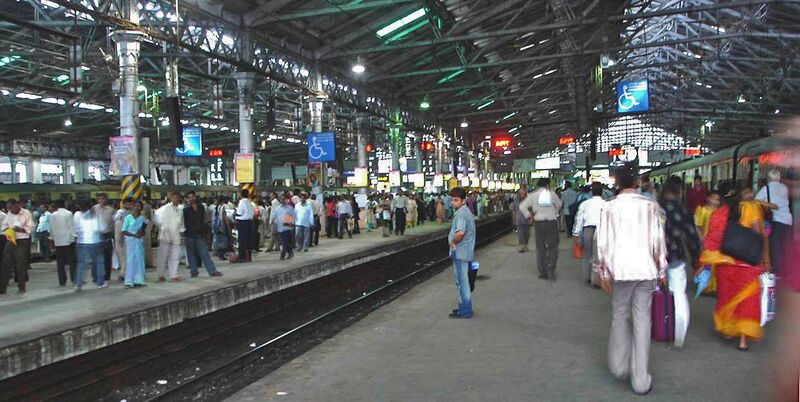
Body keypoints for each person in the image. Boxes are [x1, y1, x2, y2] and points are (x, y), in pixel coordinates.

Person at [595, 168, 667, 395]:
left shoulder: (608, 208)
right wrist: (662, 270)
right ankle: (640, 380)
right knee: (642, 321)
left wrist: (603, 272)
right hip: (646, 271)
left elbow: (602, 243)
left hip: (621, 271)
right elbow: (658, 241)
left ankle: (619, 366)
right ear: (636, 182)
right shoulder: (651, 207)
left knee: (619, 315)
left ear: (616, 183)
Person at [699, 184, 769, 351]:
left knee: (727, 297)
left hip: (725, 263)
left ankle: (728, 330)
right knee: (747, 300)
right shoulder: (750, 208)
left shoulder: (719, 213)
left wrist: (705, 263)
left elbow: (712, 239)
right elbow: (759, 234)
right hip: (747, 262)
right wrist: (766, 259)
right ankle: (743, 340)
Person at [659, 177, 702, 348]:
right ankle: (678, 336)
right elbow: (692, 237)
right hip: (675, 256)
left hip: (654, 259)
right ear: (679, 191)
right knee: (678, 295)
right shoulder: (683, 210)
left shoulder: (654, 209)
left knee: (656, 294)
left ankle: (659, 329)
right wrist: (696, 261)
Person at [519, 178, 562, 281]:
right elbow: (559, 205)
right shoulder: (552, 194)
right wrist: (554, 212)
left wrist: (529, 216)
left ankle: (542, 272)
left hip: (539, 223)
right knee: (553, 246)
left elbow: (522, 207)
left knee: (540, 247)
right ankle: (551, 267)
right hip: (551, 222)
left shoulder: (533, 196)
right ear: (547, 185)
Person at [755, 169, 793, 276]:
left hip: (776, 220)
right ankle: (787, 270)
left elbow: (756, 200)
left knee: (774, 245)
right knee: (785, 245)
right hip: (788, 219)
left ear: (769, 178)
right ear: (779, 178)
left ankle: (777, 270)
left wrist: (769, 205)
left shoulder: (766, 188)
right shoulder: (784, 188)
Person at [447, 187, 476, 319]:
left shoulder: (461, 214)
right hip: (464, 252)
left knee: (462, 281)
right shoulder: (465, 212)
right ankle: (463, 306)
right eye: (451, 200)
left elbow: (461, 232)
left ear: (463, 200)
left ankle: (465, 310)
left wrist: (453, 242)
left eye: (455, 200)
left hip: (460, 252)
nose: (452, 202)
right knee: (461, 280)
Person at [572, 182, 605, 286]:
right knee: (599, 256)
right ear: (602, 191)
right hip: (602, 230)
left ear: (591, 192)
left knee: (587, 254)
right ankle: (597, 280)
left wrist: (576, 233)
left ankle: (587, 278)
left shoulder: (585, 204)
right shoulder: (606, 204)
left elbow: (579, 218)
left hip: (588, 230)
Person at [184, 195, 223, 278]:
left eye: (192, 196)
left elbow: (202, 220)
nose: (191, 198)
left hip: (199, 234)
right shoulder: (185, 210)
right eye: (189, 197)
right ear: (187, 199)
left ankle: (212, 271)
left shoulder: (201, 208)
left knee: (204, 252)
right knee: (191, 254)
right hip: (189, 234)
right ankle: (194, 271)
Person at [0, 199, 34, 294]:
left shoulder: (26, 213)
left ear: (17, 205)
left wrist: (20, 229)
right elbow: (3, 225)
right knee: (6, 263)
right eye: (8, 208)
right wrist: (7, 229)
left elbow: (30, 227)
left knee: (20, 265)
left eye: (11, 207)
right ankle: (2, 288)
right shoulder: (9, 214)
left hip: (22, 240)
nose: (10, 210)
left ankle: (21, 287)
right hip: (11, 240)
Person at [73, 200, 107, 291]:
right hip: (96, 242)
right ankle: (100, 283)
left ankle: (78, 284)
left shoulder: (77, 215)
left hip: (81, 242)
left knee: (81, 264)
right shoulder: (96, 215)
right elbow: (103, 229)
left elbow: (76, 229)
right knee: (99, 263)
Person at [694, 190, 722, 294]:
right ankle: (704, 285)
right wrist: (701, 238)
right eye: (713, 198)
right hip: (706, 241)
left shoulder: (720, 212)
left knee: (714, 264)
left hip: (717, 241)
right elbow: (698, 226)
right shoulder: (702, 210)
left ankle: (713, 286)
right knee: (705, 264)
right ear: (708, 198)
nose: (715, 201)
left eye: (718, 199)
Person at [155, 192, 185, 282]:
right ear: (171, 198)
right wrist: (165, 232)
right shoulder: (164, 209)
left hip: (176, 235)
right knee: (163, 256)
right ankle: (161, 274)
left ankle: (173, 275)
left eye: (177, 198)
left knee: (175, 256)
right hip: (166, 235)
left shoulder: (180, 209)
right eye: (174, 198)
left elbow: (181, 223)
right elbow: (160, 222)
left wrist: (182, 233)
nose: (176, 200)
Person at [49, 200, 76, 287]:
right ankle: (74, 279)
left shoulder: (53, 215)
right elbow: (71, 227)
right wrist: (73, 238)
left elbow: (51, 229)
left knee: (60, 263)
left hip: (58, 241)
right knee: (72, 262)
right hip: (68, 240)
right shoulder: (68, 214)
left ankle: (62, 281)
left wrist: (52, 240)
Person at [121, 200, 148, 288]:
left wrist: (140, 234)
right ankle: (129, 281)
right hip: (130, 240)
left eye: (139, 206)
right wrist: (134, 235)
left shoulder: (142, 218)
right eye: (136, 206)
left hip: (138, 241)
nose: (137, 208)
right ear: (132, 206)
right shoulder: (128, 217)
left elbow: (143, 230)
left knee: (139, 260)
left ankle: (139, 280)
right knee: (130, 260)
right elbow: (124, 230)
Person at [93, 193, 115, 282]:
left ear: (106, 199)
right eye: (99, 199)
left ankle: (107, 275)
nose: (101, 201)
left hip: (107, 235)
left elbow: (113, 223)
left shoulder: (110, 210)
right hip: (97, 235)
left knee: (107, 256)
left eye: (102, 199)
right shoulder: (94, 209)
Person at [270, 194, 296, 260]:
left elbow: (294, 216)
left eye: (284, 199)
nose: (282, 200)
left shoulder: (290, 208)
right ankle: (290, 251)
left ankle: (283, 254)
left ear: (286, 200)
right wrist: (271, 221)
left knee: (285, 242)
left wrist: (292, 223)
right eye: (281, 199)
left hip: (287, 227)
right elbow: (274, 216)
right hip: (280, 227)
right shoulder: (277, 208)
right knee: (284, 242)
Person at [113, 198, 132, 282]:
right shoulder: (121, 213)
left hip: (127, 238)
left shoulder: (129, 213)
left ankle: (123, 273)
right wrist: (121, 238)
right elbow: (122, 227)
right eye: (128, 204)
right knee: (123, 256)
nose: (129, 206)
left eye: (130, 204)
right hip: (122, 238)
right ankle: (123, 273)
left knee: (125, 257)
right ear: (123, 204)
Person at [514, 186, 531, 252]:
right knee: (520, 234)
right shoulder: (516, 200)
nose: (522, 195)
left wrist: (531, 218)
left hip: (527, 218)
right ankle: (521, 247)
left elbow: (531, 209)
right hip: (519, 219)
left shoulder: (528, 199)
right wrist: (514, 219)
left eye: (523, 193)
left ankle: (526, 245)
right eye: (520, 193)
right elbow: (514, 210)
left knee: (527, 234)